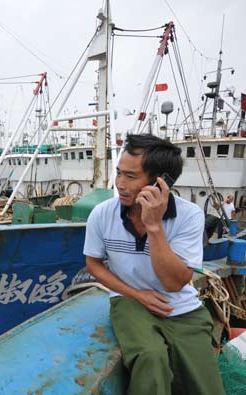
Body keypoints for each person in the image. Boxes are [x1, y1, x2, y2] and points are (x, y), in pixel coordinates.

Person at [83, 134, 224, 395]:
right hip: (129, 300)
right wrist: (137, 294)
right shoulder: (102, 214)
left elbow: (174, 282)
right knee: (151, 357)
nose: (120, 184)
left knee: (207, 387)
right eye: (118, 173)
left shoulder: (189, 216)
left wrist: (154, 226)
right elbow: (93, 263)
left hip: (180, 307)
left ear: (161, 182)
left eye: (131, 176)